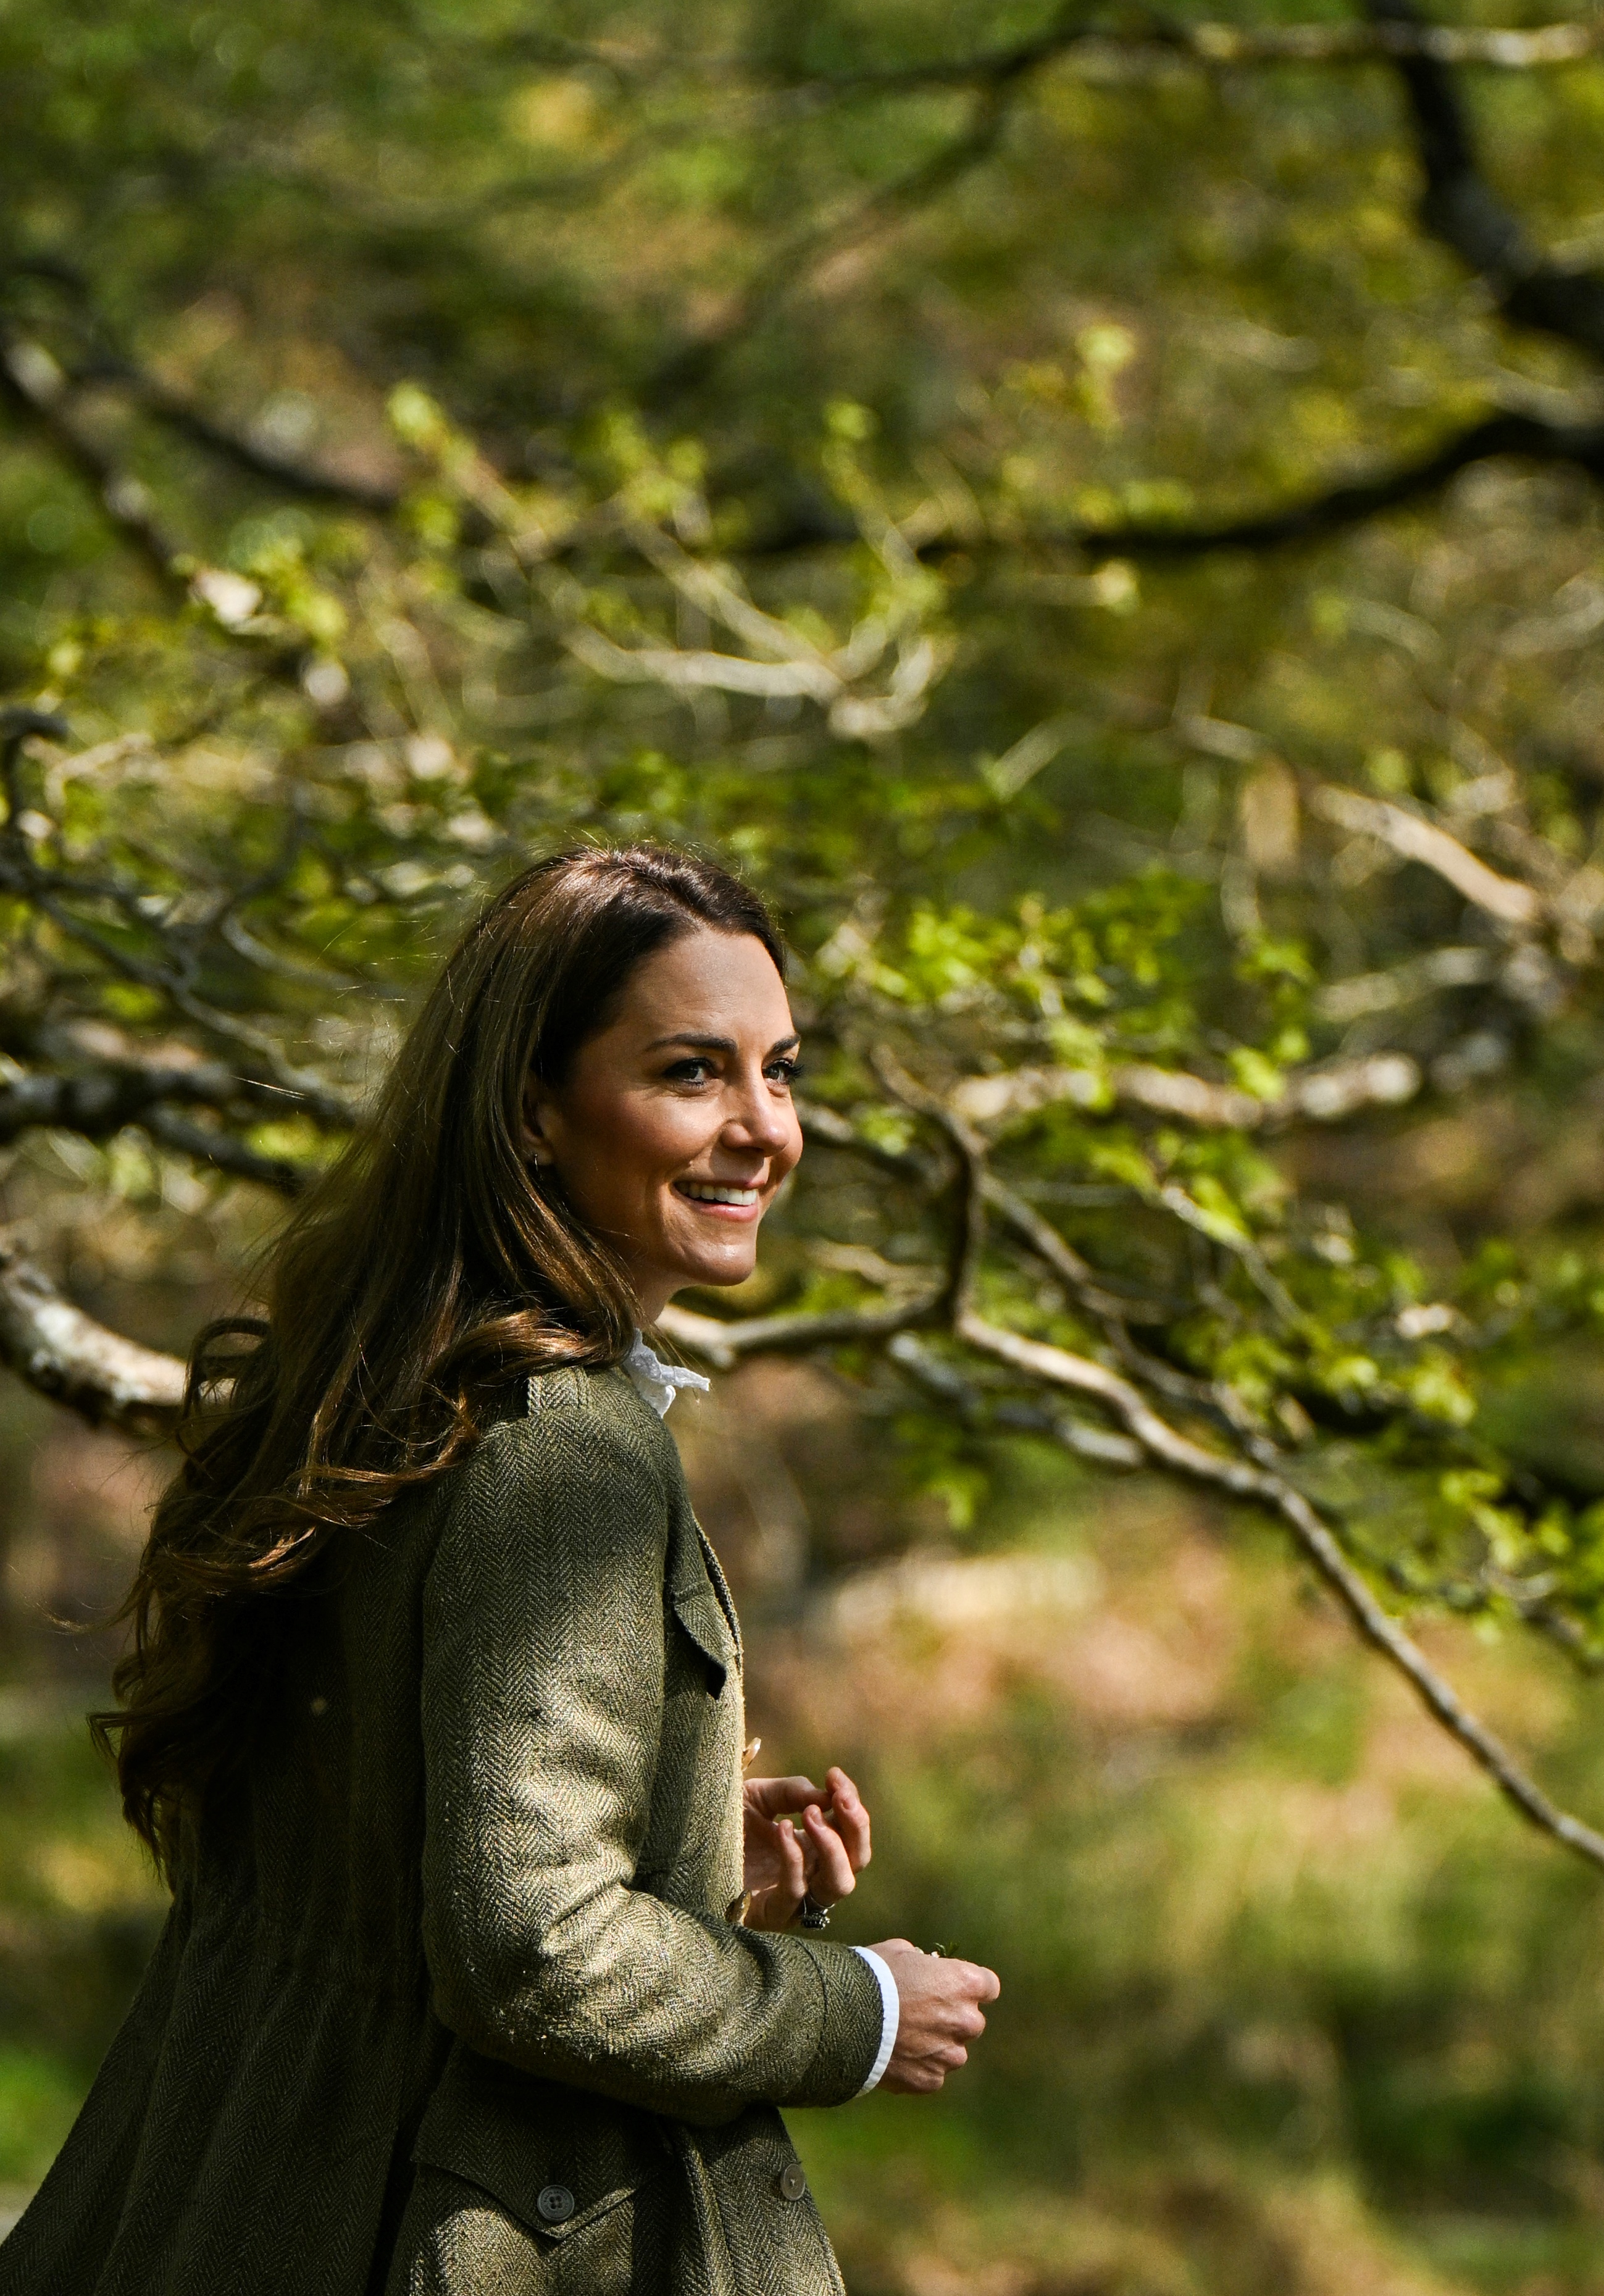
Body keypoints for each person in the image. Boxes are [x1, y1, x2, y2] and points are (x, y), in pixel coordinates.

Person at [0, 840, 999, 2295]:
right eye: (690, 1072)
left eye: (778, 1070)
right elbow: (527, 1947)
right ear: (536, 1112)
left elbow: (390, 1848)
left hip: (232, 2188)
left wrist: (684, 1857)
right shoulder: (564, 1443)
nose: (763, 1128)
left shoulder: (378, 1389)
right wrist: (856, 2009)